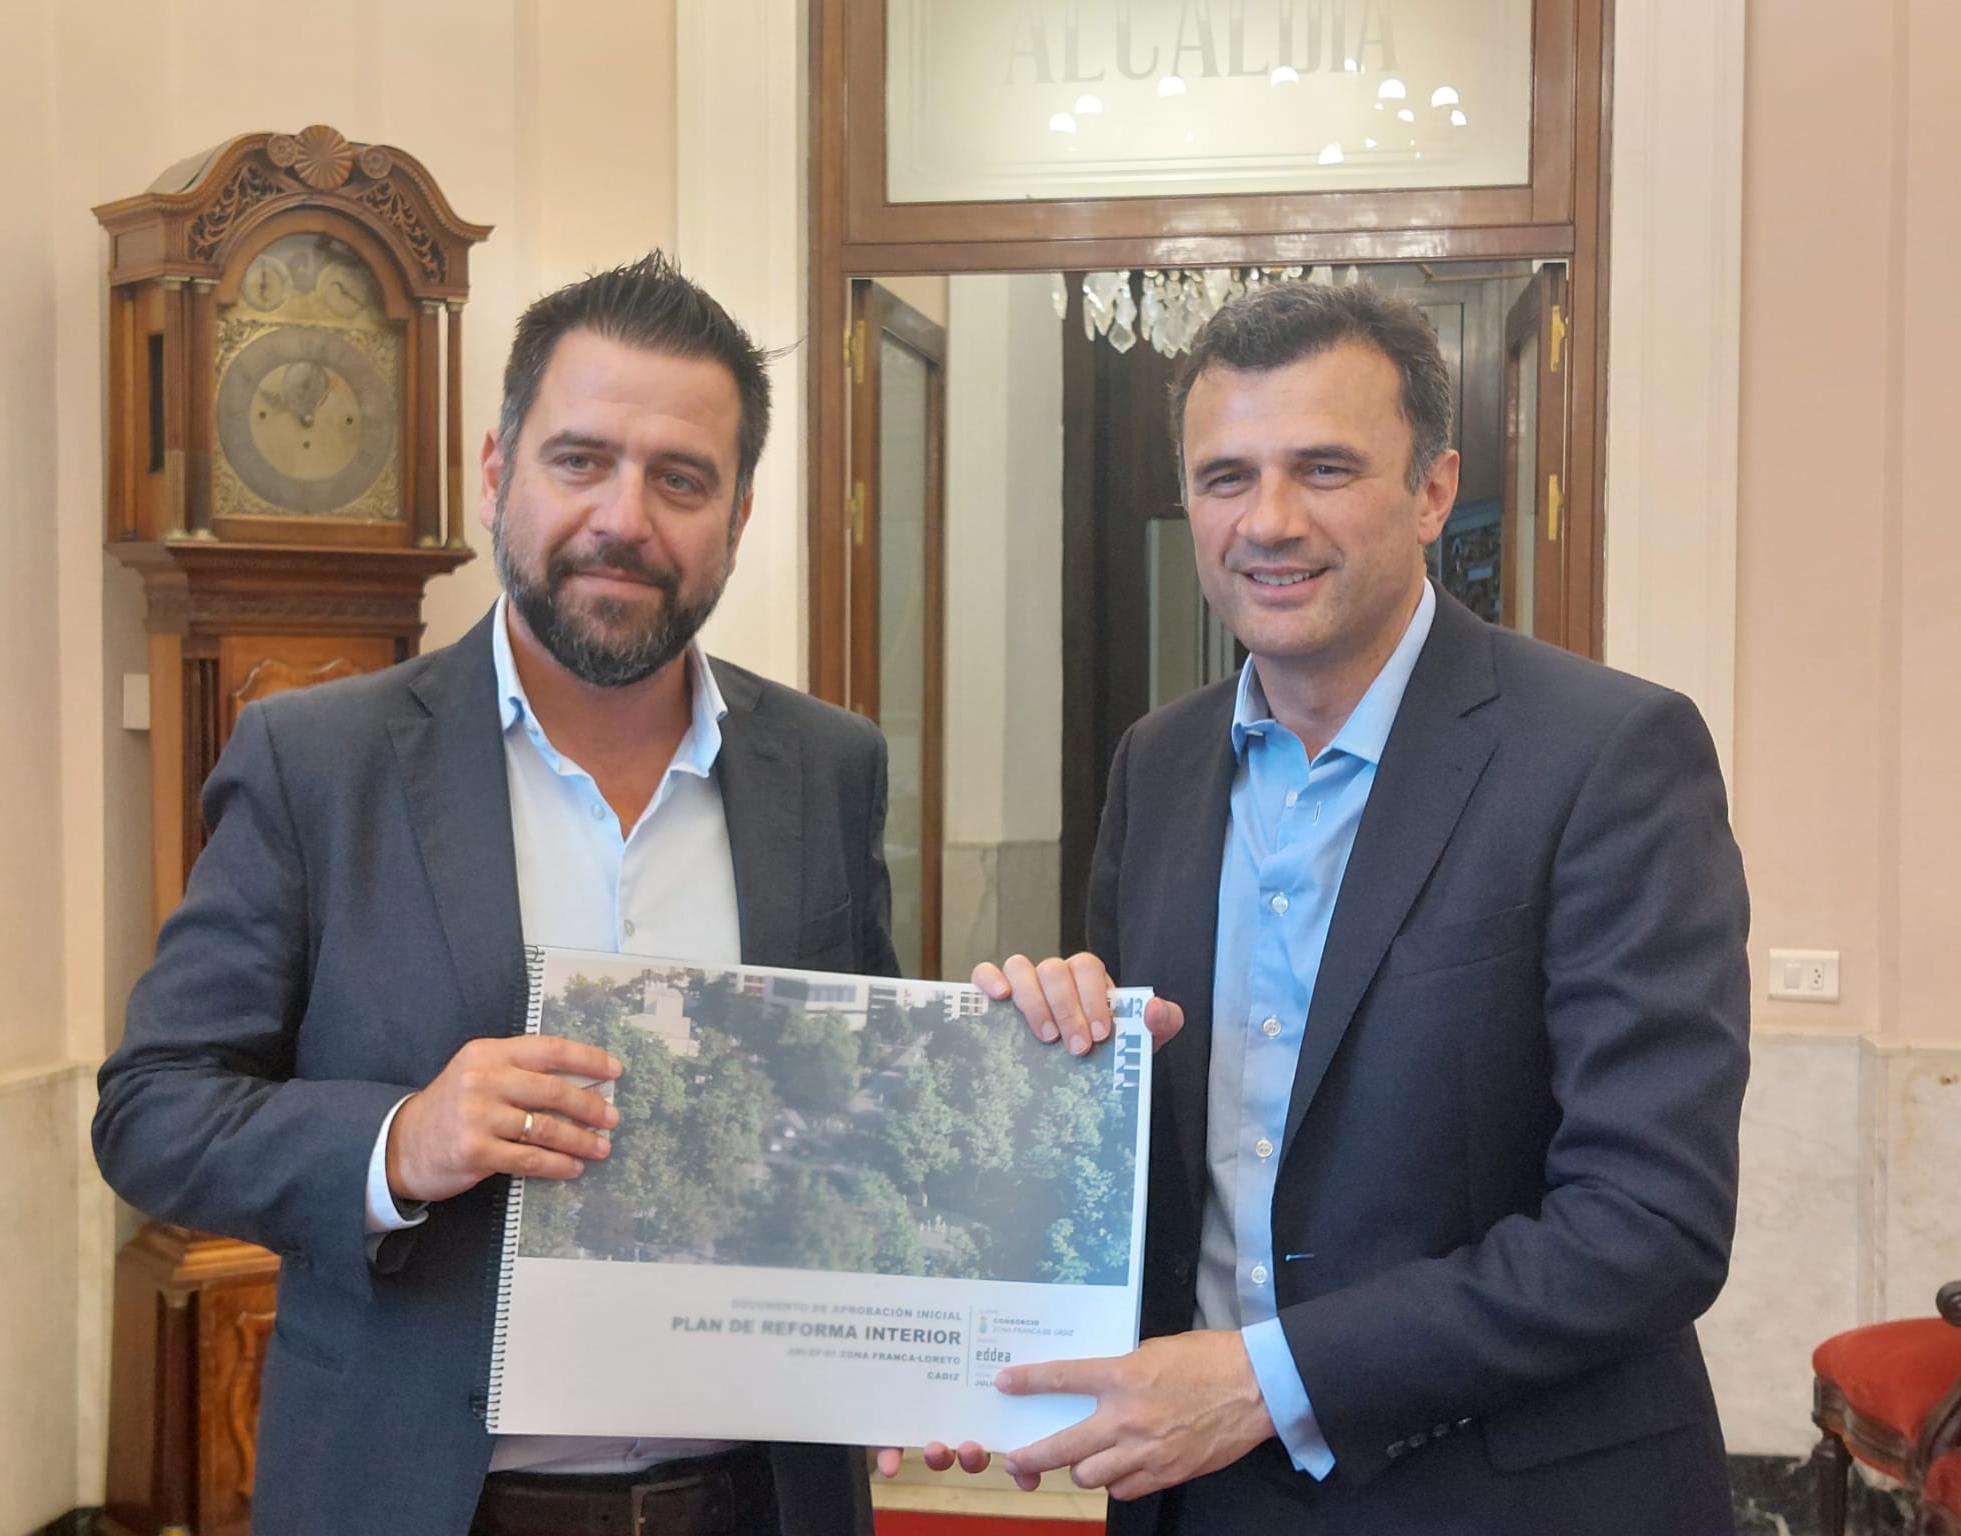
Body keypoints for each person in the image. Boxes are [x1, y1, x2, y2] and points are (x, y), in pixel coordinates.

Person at [915, 281, 1751, 1534]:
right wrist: (1045, 1066)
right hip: (1196, 1497)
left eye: (1322, 468)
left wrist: (1263, 1382)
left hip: (1507, 1497)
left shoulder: (1607, 755)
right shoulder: (1158, 761)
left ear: (1430, 491)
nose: (1269, 521)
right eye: (1224, 477)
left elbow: (1646, 1228)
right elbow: (1145, 1165)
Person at [94, 253, 890, 1536]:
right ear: (495, 472)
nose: (623, 517)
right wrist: (398, 1141)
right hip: (429, 1501)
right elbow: (150, 1112)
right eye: (579, 460)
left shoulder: (830, 769)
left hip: (760, 1501)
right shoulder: (319, 761)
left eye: (679, 479)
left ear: (737, 518)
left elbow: (864, 1111)